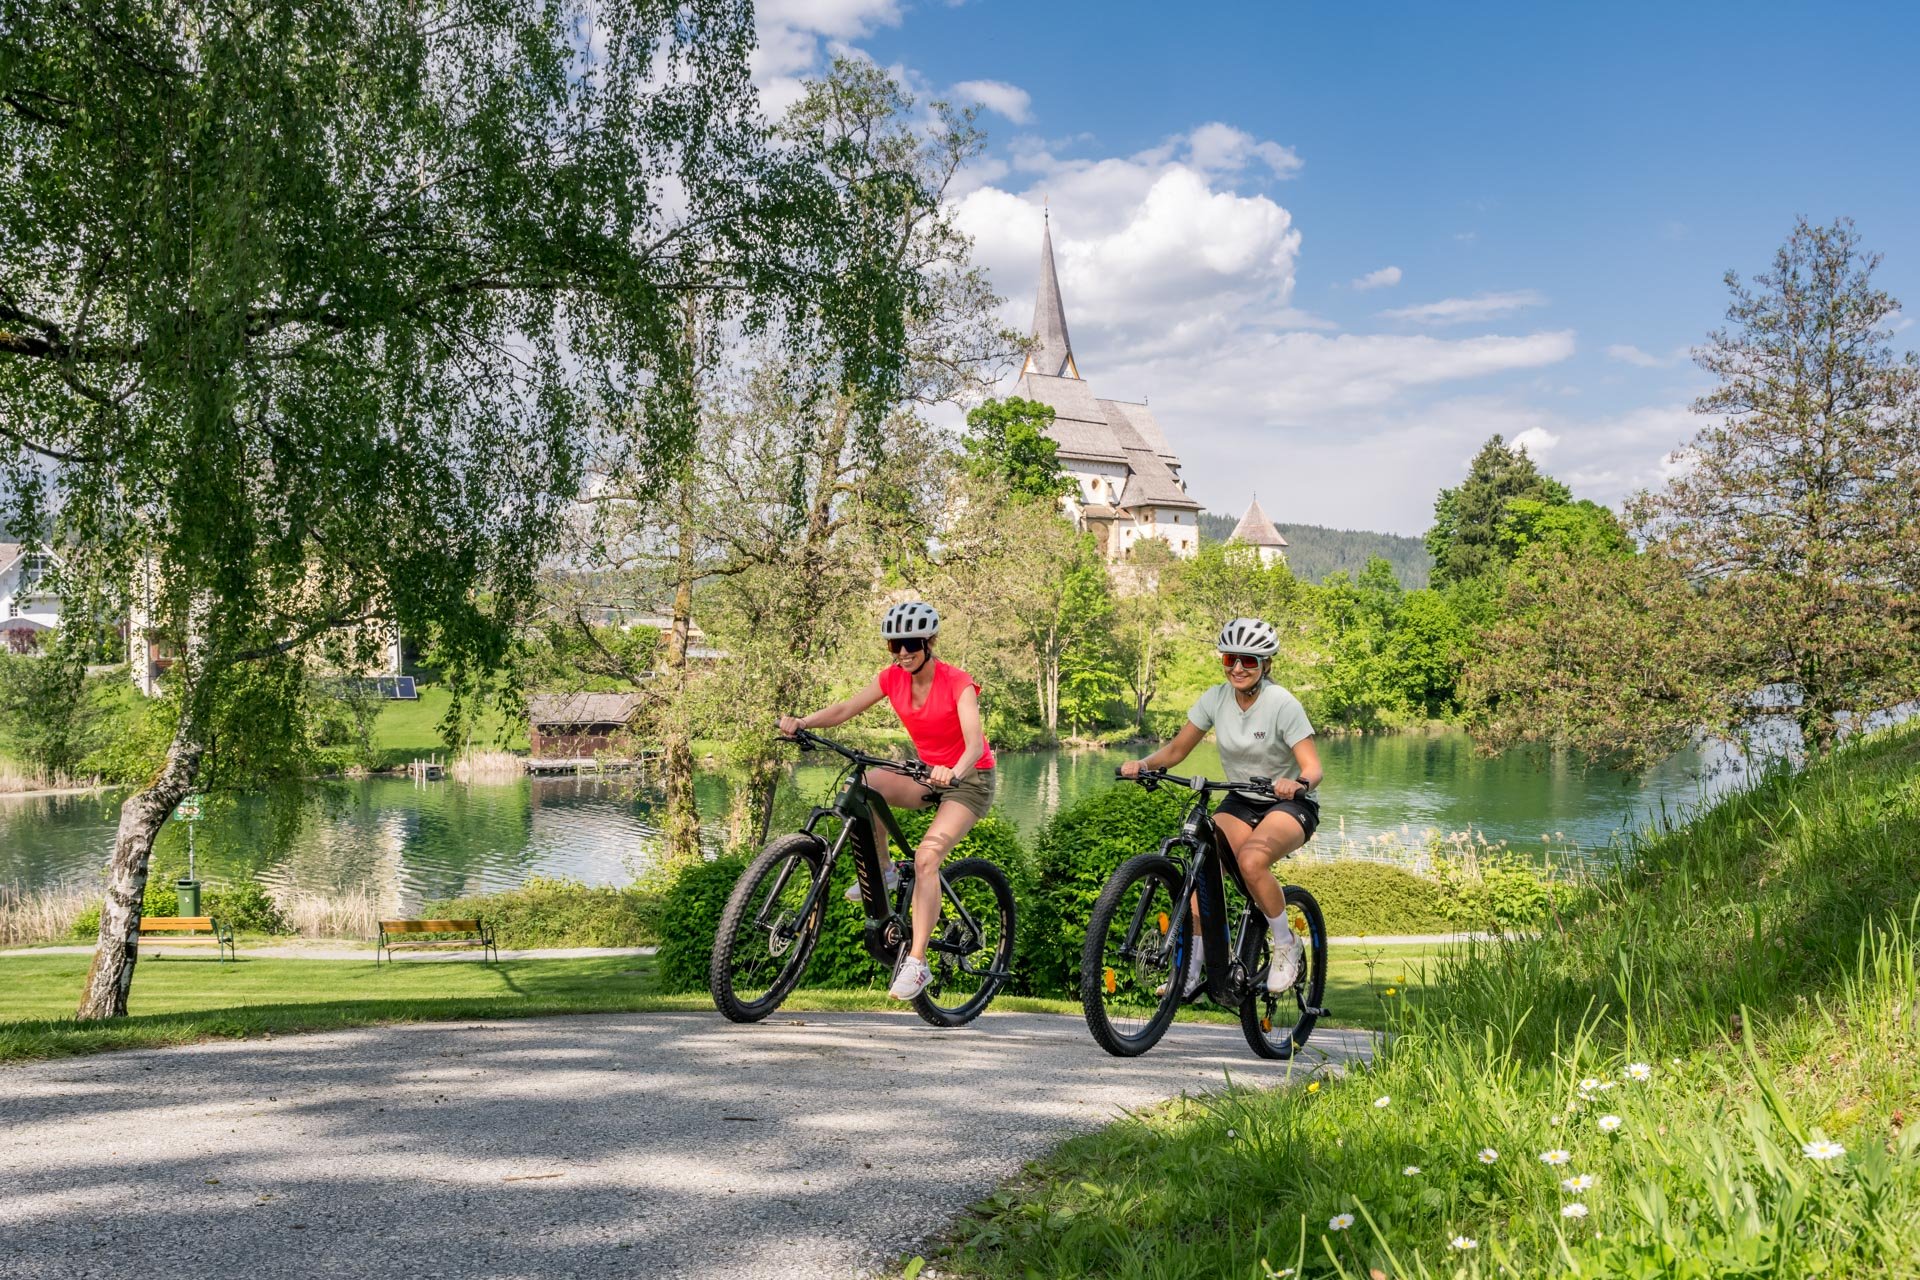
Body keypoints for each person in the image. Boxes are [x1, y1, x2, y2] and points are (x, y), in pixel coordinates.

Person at [777, 601, 996, 1001]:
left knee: (928, 858)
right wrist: (802, 722)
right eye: (894, 645)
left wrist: (954, 770)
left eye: (910, 643)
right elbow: (845, 708)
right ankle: (885, 871)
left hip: (969, 779)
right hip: (925, 774)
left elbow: (974, 743)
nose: (902, 652)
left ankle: (917, 963)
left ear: (930, 641)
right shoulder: (893, 678)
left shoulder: (957, 682)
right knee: (866, 784)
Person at [1119, 616, 1323, 996]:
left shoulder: (1283, 704)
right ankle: (1192, 968)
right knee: (1201, 861)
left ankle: (1285, 945)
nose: (1239, 668)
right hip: (1241, 799)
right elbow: (1178, 750)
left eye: (1249, 660)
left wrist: (1296, 784)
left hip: (1290, 803)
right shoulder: (1215, 698)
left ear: (1266, 664)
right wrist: (1144, 765)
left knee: (1250, 861)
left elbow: (1313, 767)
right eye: (1231, 659)